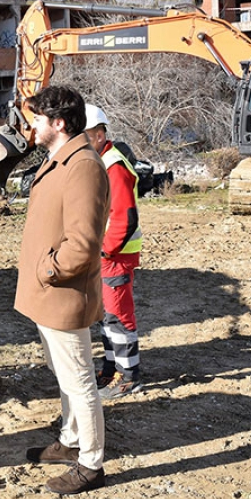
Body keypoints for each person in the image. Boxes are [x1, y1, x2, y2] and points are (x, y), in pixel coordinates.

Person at [15, 86, 109, 495]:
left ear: (59, 123)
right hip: (47, 294)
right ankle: (71, 442)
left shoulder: (83, 165)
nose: (31, 125)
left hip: (62, 292)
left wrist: (47, 270)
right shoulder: (60, 159)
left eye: (38, 118)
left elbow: (83, 244)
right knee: (64, 376)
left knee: (80, 382)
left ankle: (90, 464)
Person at [83, 104, 144, 399]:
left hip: (115, 257)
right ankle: (111, 370)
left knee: (118, 317)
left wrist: (105, 251)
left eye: (83, 136)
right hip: (108, 255)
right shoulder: (104, 161)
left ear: (98, 134)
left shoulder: (113, 165)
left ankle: (129, 377)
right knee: (108, 317)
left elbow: (124, 216)